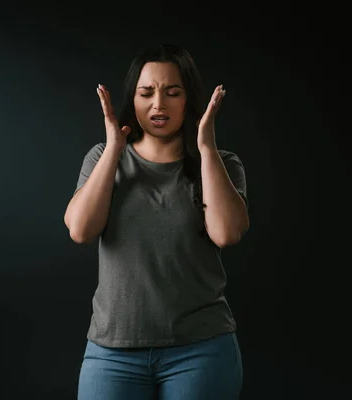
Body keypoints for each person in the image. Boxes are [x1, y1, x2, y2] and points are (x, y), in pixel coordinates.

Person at [64, 44, 250, 400]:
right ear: (132, 99)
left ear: (189, 99)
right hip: (113, 351)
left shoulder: (223, 163)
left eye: (172, 93)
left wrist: (207, 149)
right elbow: (80, 230)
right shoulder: (103, 157)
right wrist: (115, 149)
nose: (158, 105)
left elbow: (226, 233)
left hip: (201, 350)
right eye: (146, 93)